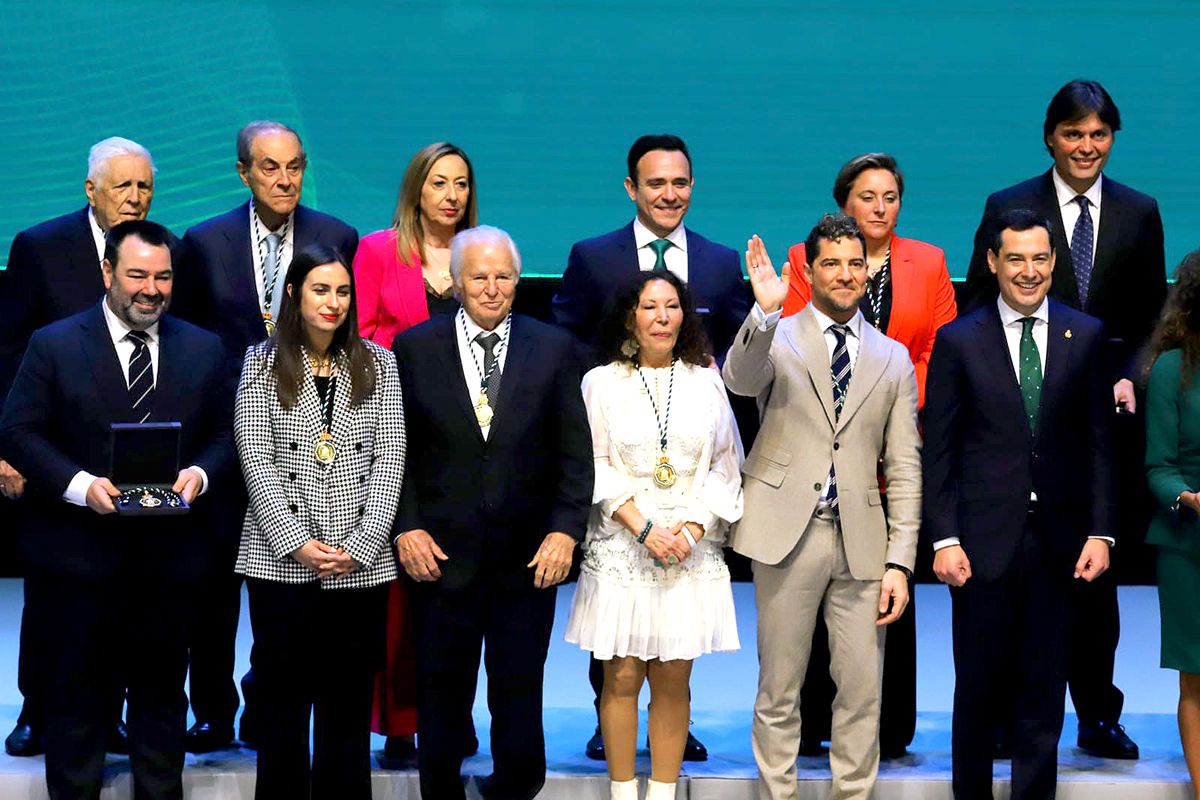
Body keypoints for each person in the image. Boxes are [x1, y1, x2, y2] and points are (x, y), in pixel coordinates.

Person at [961, 81, 1165, 759]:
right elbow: (978, 315)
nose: (1086, 146)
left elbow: (1150, 322)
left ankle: (1097, 713)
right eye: (1073, 134)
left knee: (1090, 574)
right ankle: (1003, 715)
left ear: (1112, 138)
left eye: (1099, 134)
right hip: (1018, 418)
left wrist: (1130, 378)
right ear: (1050, 136)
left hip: (1100, 423)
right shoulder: (1007, 206)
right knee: (1012, 572)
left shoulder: (1140, 211)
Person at [0, 219, 234, 799]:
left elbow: (232, 434)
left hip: (169, 566)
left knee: (160, 708)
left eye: (162, 277)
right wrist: (79, 484)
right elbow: (17, 430)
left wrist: (200, 474)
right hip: (78, 563)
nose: (150, 289)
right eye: (136, 275)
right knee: (76, 707)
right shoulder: (53, 343)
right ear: (107, 273)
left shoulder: (203, 349)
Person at [551, 132, 749, 761]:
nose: (669, 194)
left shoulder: (719, 262)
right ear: (632, 188)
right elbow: (564, 342)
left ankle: (673, 731)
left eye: (680, 182)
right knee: (618, 634)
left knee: (674, 649)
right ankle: (605, 720)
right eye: (656, 183)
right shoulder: (593, 255)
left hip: (690, 458)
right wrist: (616, 395)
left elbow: (741, 361)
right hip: (619, 445)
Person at [172, 120, 360, 753]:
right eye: (270, 167)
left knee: (285, 589)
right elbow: (188, 339)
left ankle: (265, 701)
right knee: (219, 586)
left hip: (309, 437)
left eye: (295, 166)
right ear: (243, 173)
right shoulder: (203, 241)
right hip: (226, 440)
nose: (285, 179)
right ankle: (213, 708)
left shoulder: (337, 235)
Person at [391, 225, 593, 800]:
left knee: (519, 688)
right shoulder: (414, 349)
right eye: (478, 276)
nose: (492, 288)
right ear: (455, 282)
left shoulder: (554, 348)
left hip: (527, 559)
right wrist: (407, 526)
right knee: (440, 689)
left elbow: (576, 455)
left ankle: (514, 787)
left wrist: (564, 530)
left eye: (503, 276)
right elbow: (394, 452)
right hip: (439, 556)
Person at [724, 213, 921, 800]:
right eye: (830, 263)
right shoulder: (776, 336)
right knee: (780, 688)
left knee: (862, 693)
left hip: (863, 540)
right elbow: (739, 378)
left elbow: (906, 468)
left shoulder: (892, 358)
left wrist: (901, 561)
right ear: (809, 271)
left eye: (855, 263)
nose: (844, 274)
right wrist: (762, 312)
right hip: (786, 533)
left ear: (869, 270)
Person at [923, 209, 1115, 799]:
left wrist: (1102, 533)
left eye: (1039, 258)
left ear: (1054, 262)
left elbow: (1099, 446)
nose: (1028, 272)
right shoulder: (959, 340)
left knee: (1043, 693)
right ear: (991, 263)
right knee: (977, 692)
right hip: (980, 544)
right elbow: (942, 450)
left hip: (1060, 542)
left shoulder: (1084, 334)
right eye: (1015, 259)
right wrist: (944, 537)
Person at [781, 152, 955, 758]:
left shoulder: (928, 261)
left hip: (901, 432)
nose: (881, 208)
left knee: (884, 578)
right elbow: (795, 341)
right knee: (813, 584)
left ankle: (888, 726)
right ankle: (808, 726)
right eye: (868, 197)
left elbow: (938, 346)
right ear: (844, 205)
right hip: (824, 443)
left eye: (891, 197)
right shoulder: (813, 258)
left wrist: (894, 416)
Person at [0, 136, 156, 758]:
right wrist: (8, 448)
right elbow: (7, 351)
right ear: (91, 190)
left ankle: (108, 710)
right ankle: (38, 708)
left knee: (122, 593)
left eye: (145, 186)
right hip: (52, 450)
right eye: (123, 186)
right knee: (50, 591)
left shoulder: (157, 250)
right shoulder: (40, 247)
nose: (135, 198)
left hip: (130, 449)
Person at [565, 270, 743, 800]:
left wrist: (689, 530)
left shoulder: (706, 381)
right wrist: (643, 528)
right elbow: (591, 461)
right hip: (624, 548)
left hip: (688, 553)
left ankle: (663, 792)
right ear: (629, 317)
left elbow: (727, 463)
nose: (661, 317)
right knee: (620, 677)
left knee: (672, 681)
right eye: (649, 307)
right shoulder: (600, 382)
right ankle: (622, 792)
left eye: (671, 307)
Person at [233, 244, 403, 799]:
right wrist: (297, 542)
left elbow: (390, 460)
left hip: (360, 566)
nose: (334, 303)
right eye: (321, 290)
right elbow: (256, 459)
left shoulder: (380, 363)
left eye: (343, 291)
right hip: (280, 565)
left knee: (347, 712)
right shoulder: (260, 362)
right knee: (282, 709)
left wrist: (361, 542)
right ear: (292, 294)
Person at [353, 142, 477, 764]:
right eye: (438, 183)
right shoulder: (378, 250)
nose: (450, 195)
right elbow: (363, 330)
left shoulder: (480, 254)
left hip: (469, 441)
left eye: (459, 184)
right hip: (396, 427)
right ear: (416, 190)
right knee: (402, 591)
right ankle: (400, 723)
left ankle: (450, 719)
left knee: (459, 588)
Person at [1143, 250, 1200, 795]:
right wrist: (1190, 497)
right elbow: (1159, 466)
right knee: (1197, 679)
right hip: (1190, 547)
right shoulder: (1169, 369)